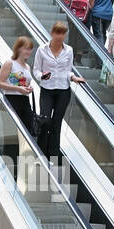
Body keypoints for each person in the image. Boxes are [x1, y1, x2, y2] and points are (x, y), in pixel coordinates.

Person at [34, 21, 86, 160]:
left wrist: (74, 77)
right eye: (57, 33)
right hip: (47, 89)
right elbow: (36, 70)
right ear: (52, 33)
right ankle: (40, 151)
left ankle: (53, 155)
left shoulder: (68, 50)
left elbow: (67, 71)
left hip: (63, 90)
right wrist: (42, 76)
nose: (60, 36)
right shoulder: (42, 49)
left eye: (63, 33)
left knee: (57, 123)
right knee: (45, 120)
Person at [0, 36, 36, 134]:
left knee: (27, 132)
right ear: (18, 48)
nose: (28, 51)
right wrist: (18, 89)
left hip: (25, 101)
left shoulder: (27, 67)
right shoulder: (10, 63)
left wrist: (28, 88)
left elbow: (23, 85)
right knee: (10, 132)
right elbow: (0, 82)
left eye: (30, 49)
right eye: (26, 48)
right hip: (11, 100)